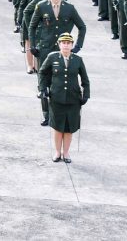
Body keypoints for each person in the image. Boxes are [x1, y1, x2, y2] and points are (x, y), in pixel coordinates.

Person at [38, 33, 90, 163]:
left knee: (69, 128)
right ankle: (57, 152)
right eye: (63, 43)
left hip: (73, 99)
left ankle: (66, 153)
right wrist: (43, 88)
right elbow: (42, 72)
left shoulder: (78, 60)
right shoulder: (52, 57)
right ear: (59, 44)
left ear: (72, 45)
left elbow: (85, 80)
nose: (66, 45)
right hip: (57, 98)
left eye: (68, 43)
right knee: (57, 127)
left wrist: (86, 95)